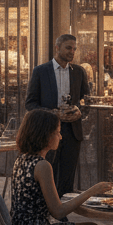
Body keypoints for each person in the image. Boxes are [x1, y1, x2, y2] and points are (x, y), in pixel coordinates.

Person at [25, 34, 90, 195]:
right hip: (48, 132)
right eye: (68, 48)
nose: (72, 52)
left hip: (72, 131)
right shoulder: (40, 71)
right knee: (48, 175)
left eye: (74, 49)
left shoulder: (79, 72)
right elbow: (30, 104)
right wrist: (53, 114)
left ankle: (62, 215)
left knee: (67, 179)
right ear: (57, 48)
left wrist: (78, 110)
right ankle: (46, 211)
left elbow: (87, 102)